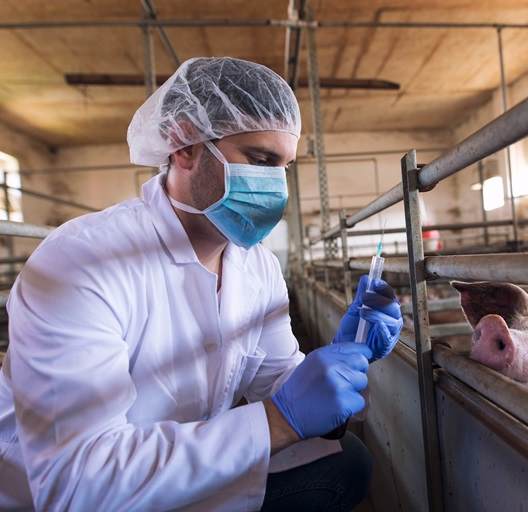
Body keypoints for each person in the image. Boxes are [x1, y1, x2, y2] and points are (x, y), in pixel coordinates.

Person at [0, 57, 403, 511]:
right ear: (184, 144)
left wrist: (341, 359)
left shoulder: (257, 266)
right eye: (260, 159)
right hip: (75, 495)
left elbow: (278, 378)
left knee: (345, 463)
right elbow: (75, 485)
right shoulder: (82, 261)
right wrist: (278, 422)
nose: (276, 186)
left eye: (284, 166)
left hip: (179, 468)